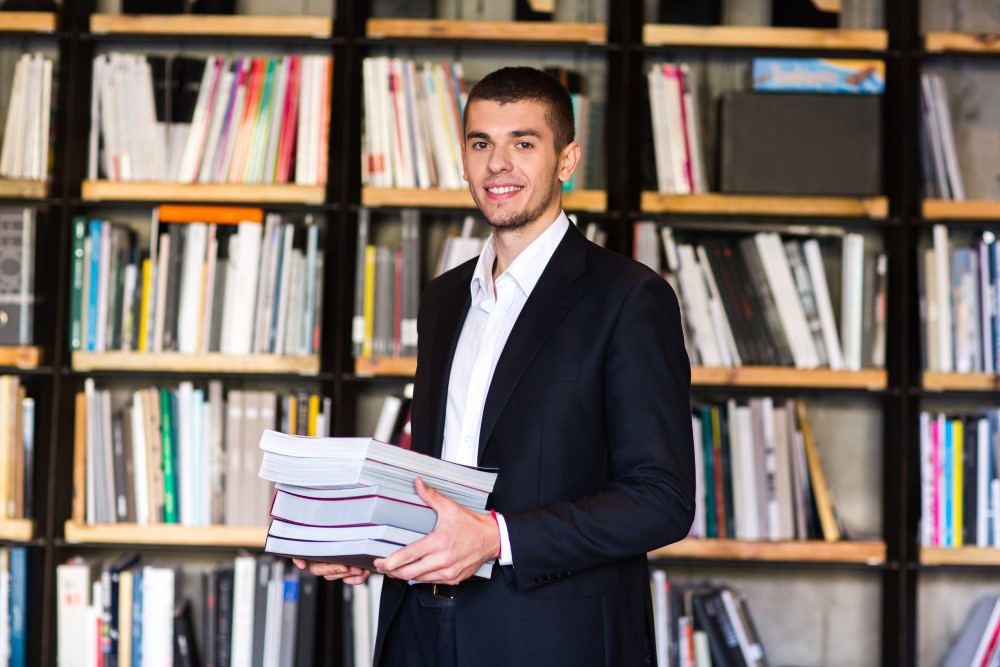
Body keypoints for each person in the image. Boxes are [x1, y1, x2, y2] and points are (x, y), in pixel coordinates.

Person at [298, 66, 695, 666]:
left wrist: (496, 539)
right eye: (482, 143)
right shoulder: (443, 298)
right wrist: (367, 540)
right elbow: (442, 479)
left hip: (551, 638)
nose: (498, 164)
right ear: (462, 156)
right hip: (418, 629)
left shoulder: (628, 297)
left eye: (523, 143)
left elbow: (662, 500)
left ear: (567, 160)